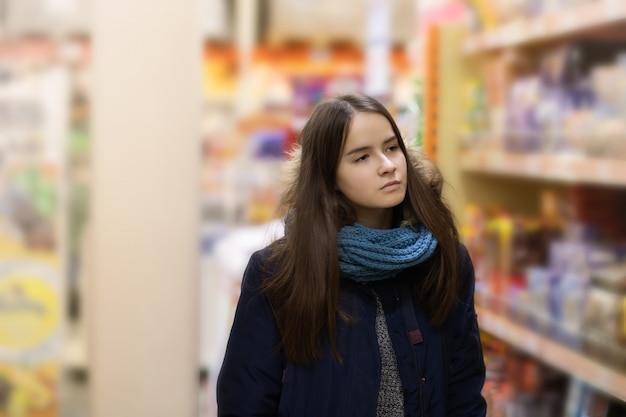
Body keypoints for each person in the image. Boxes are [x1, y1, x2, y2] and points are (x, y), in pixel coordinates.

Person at [216, 94, 487, 417]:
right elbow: (246, 401)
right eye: (361, 158)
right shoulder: (277, 272)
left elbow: (464, 390)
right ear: (328, 177)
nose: (388, 166)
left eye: (391, 148)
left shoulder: (444, 261)